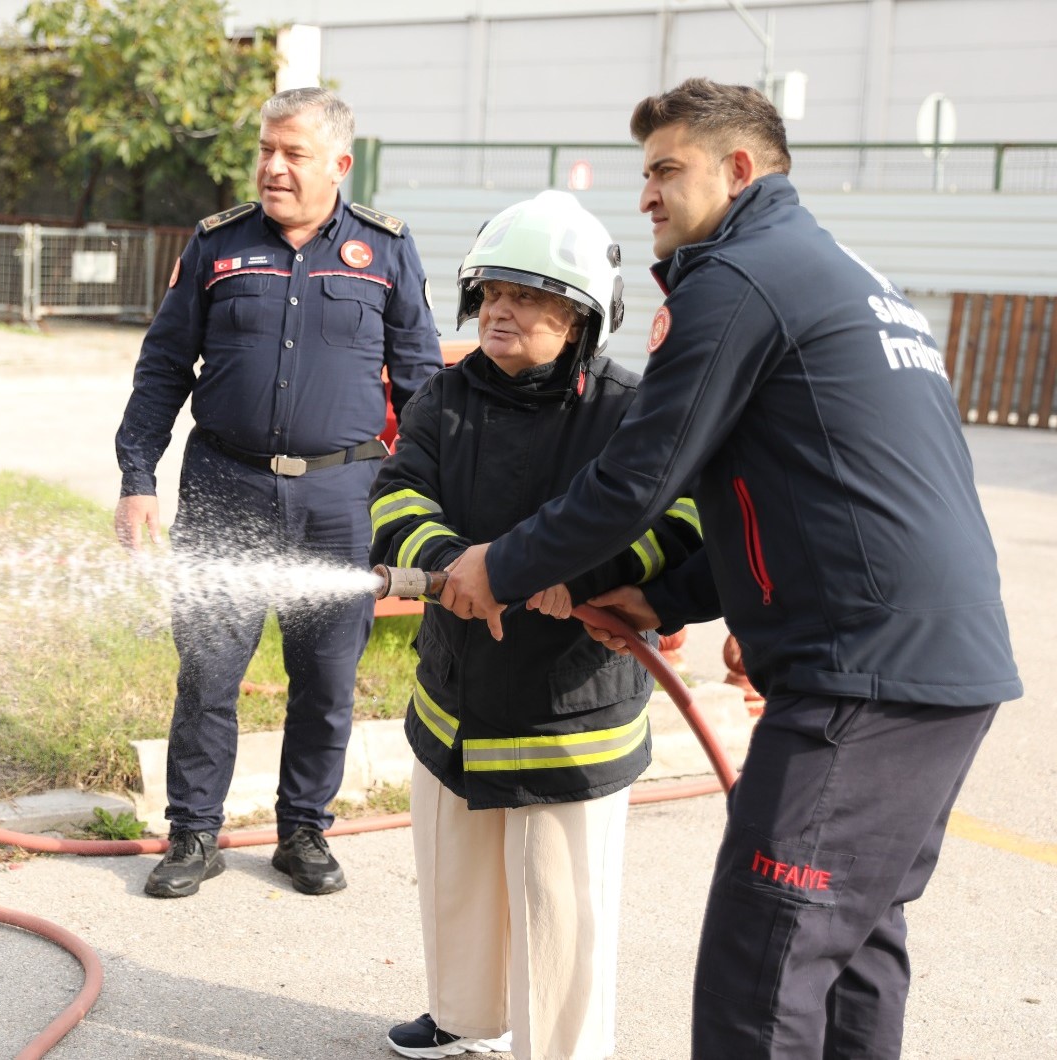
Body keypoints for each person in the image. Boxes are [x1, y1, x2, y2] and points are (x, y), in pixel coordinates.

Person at [439, 78, 1022, 1058]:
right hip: (938, 670)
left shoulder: (737, 278)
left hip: (860, 679)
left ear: (738, 168)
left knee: (766, 962)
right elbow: (804, 493)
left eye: (666, 170)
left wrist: (500, 565)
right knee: (854, 944)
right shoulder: (844, 274)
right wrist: (662, 595)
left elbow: (638, 478)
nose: (646, 195)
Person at [370, 190, 704, 1060]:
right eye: (491, 293)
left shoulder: (629, 410)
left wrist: (584, 575)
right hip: (457, 691)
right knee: (456, 872)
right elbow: (397, 495)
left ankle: (562, 1051)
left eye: (528, 296)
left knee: (563, 904)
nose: (500, 310)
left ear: (581, 317)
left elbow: (680, 521)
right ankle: (462, 1015)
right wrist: (450, 565)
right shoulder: (445, 395)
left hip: (570, 707)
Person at [113, 87, 444, 899]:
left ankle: (303, 831)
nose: (273, 167)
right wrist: (137, 479)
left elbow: (422, 383)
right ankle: (194, 833)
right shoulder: (217, 244)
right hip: (224, 488)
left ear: (339, 164)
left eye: (294, 153)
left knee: (326, 681)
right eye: (266, 149)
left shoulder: (386, 250)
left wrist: (430, 500)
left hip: (343, 499)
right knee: (208, 674)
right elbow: (164, 366)